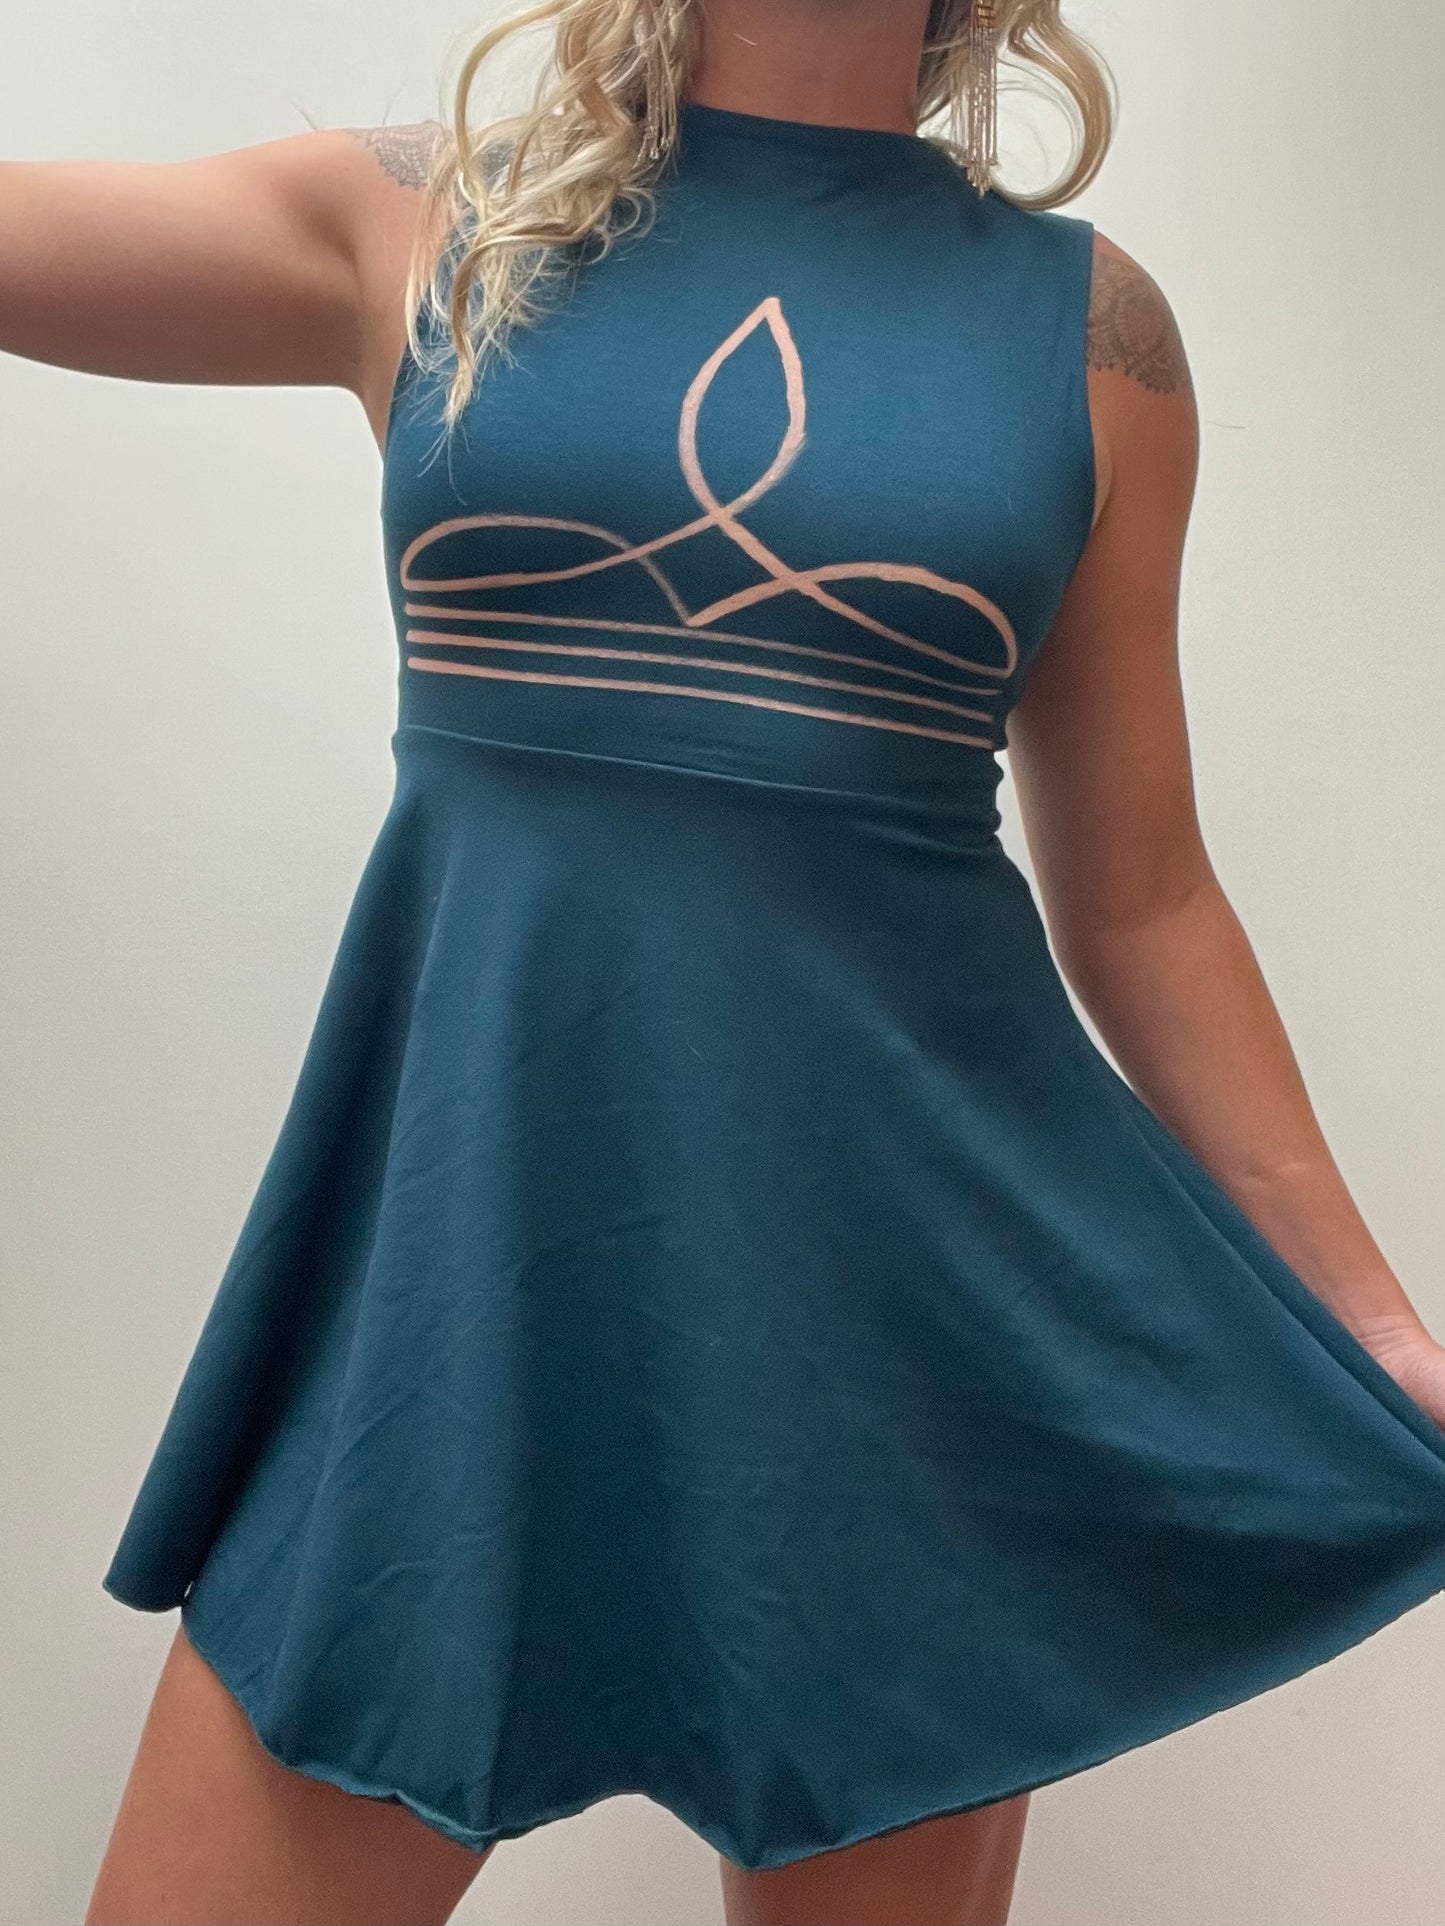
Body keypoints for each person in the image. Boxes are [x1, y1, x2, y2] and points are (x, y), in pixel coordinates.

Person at [6, 0, 1429, 1921]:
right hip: (459, 1286)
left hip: (912, 1335)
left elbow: (1144, 897)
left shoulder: (1093, 340)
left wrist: (1374, 1326)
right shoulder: (431, 221)